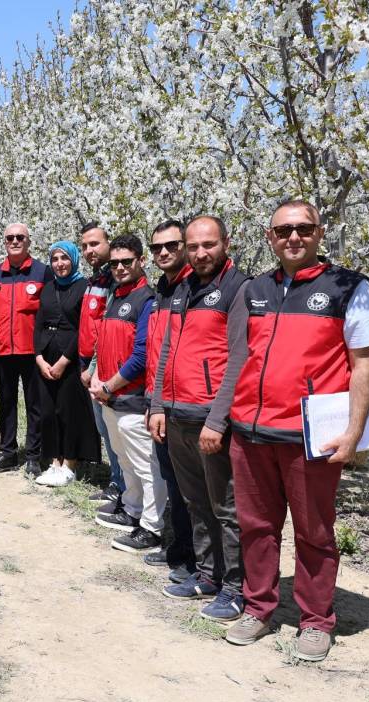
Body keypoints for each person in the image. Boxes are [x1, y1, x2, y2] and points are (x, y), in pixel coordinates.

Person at [223, 199, 369, 661]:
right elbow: (241, 355)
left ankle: (315, 620)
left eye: (304, 229)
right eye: (283, 230)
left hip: (309, 437)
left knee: (314, 532)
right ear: (270, 237)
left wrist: (354, 433)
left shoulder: (348, 287)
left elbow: (363, 363)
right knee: (256, 527)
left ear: (319, 233)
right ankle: (258, 608)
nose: (293, 237)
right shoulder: (255, 289)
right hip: (251, 432)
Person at [149, 216, 249, 621]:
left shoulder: (238, 289)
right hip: (177, 414)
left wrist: (218, 420)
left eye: (209, 245)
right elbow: (167, 351)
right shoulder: (183, 288)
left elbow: (239, 358)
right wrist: (158, 404)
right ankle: (208, 575)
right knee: (195, 502)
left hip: (210, 418)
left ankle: (235, 588)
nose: (200, 253)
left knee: (226, 508)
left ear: (226, 243)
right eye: (193, 247)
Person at [87, 234, 166, 552]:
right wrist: (97, 378)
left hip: (131, 399)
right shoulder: (115, 296)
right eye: (114, 263)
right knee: (124, 459)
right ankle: (132, 510)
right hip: (110, 398)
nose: (119, 268)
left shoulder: (147, 299)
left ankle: (153, 527)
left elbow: (141, 355)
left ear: (141, 261)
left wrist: (109, 385)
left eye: (126, 262)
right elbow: (105, 344)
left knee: (146, 466)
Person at [141, 220, 196, 583]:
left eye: (171, 245)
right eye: (157, 247)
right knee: (172, 481)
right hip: (159, 399)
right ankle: (178, 548)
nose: (163, 252)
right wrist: (153, 400)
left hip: (186, 404)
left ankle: (194, 558)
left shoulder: (195, 288)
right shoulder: (163, 288)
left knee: (190, 489)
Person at [33, 240, 99, 486]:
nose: (59, 264)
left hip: (70, 357)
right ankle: (54, 462)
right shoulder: (48, 288)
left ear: (73, 260)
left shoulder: (84, 287)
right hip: (46, 356)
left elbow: (83, 327)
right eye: (55, 259)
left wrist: (64, 361)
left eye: (64, 258)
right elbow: (38, 323)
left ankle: (70, 463)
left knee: (69, 412)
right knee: (48, 412)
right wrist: (38, 357)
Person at [0, 222, 51, 475]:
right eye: (10, 238)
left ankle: (34, 455)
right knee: (6, 403)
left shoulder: (42, 272)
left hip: (33, 352)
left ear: (28, 241)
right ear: (4, 242)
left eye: (20, 237)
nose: (15, 241)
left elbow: (49, 312)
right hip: (4, 351)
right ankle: (8, 453)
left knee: (35, 405)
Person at [77, 222, 125, 503]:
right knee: (105, 430)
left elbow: (107, 329)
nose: (89, 250)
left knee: (114, 430)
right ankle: (116, 482)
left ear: (109, 243)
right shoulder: (95, 280)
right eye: (84, 246)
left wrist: (93, 369)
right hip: (90, 366)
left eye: (95, 244)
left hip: (105, 369)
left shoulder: (114, 280)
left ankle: (123, 487)